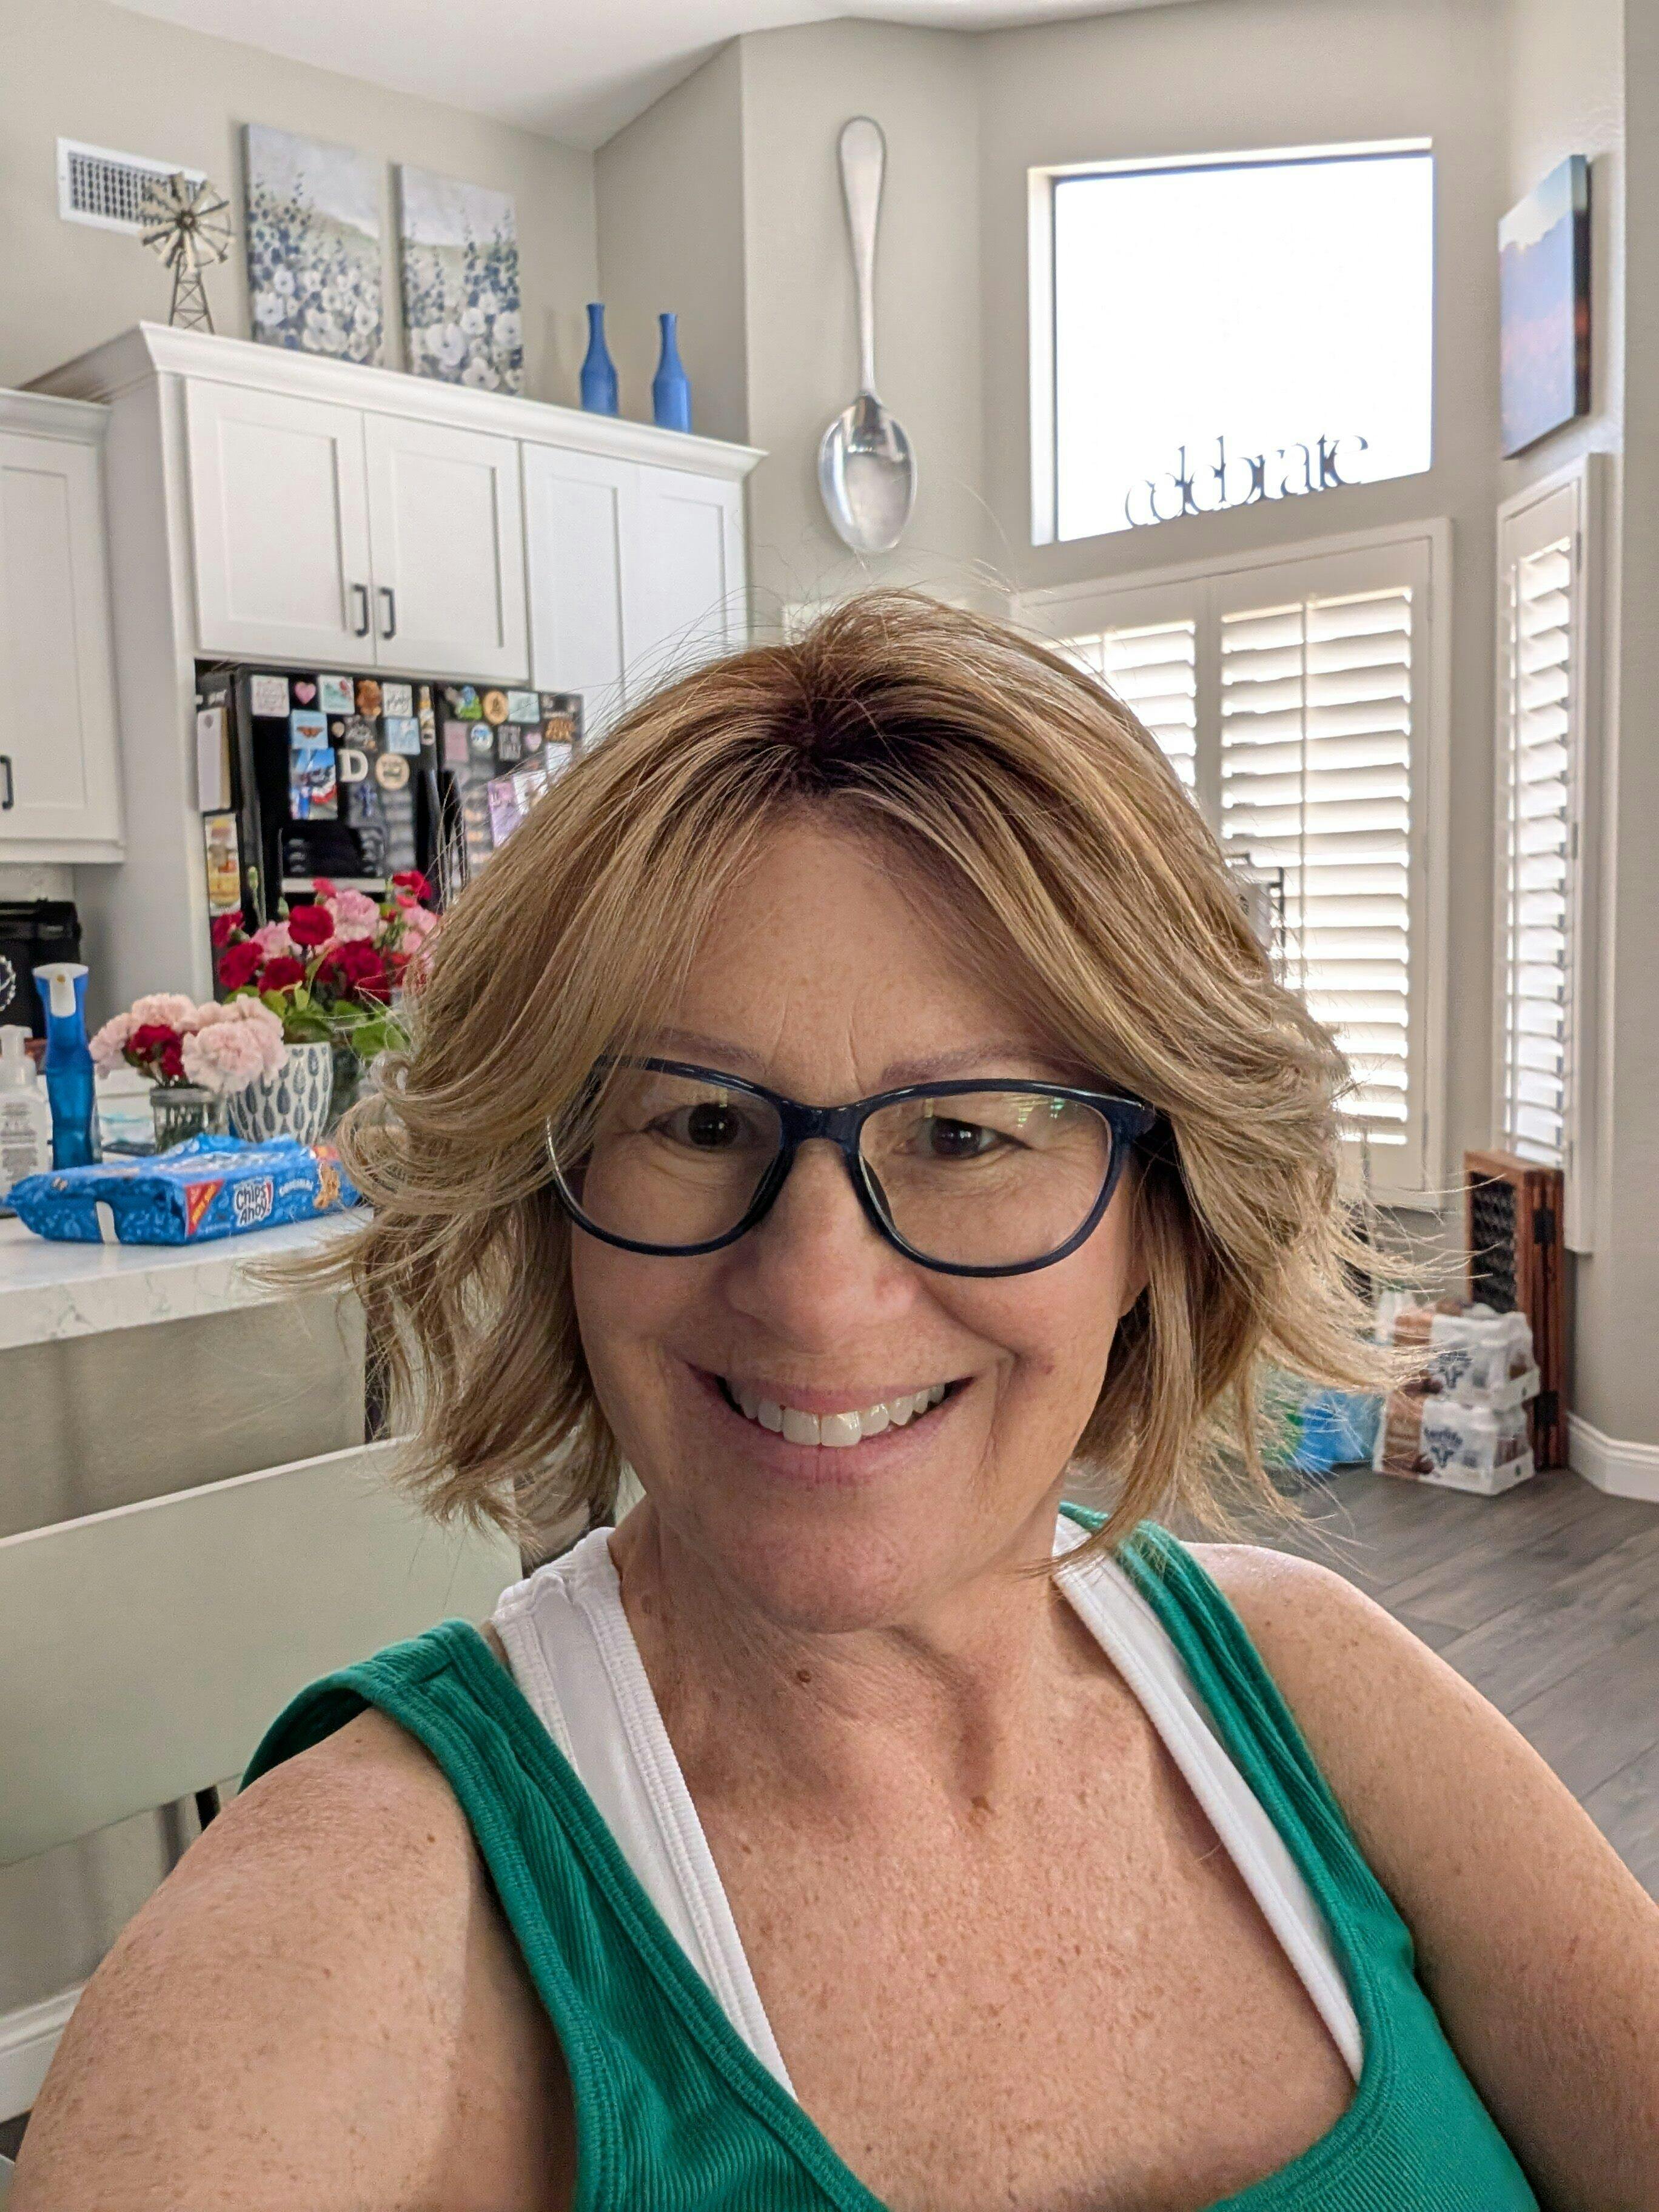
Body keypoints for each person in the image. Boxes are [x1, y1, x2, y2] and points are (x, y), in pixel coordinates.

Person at [16, 594, 1658, 2212]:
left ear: (1163, 1214)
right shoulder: (349, 1933)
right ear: (549, 1194)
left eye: (966, 1135)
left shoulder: (1313, 1693)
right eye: (697, 1123)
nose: (814, 1292)